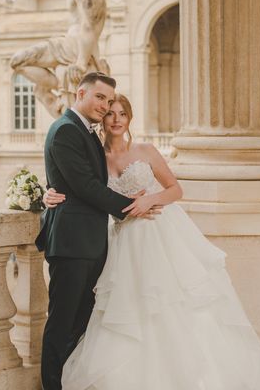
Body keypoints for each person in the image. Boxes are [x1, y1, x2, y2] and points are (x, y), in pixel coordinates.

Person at [43, 94, 260, 390]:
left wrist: (150, 200)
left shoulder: (145, 150)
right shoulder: (95, 157)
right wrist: (48, 193)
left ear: (129, 119)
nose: (117, 119)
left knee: (167, 303)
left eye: (123, 113)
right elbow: (79, 184)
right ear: (102, 120)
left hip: (156, 232)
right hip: (119, 241)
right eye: (111, 114)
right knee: (125, 307)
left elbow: (175, 189)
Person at [37, 73, 161, 390]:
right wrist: (134, 206)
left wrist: (50, 189)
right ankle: (52, 385)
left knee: (82, 320)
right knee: (62, 320)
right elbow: (86, 186)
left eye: (109, 100)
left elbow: (75, 180)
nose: (105, 106)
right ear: (81, 93)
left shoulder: (87, 132)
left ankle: (67, 379)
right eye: (100, 98)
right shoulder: (65, 129)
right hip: (71, 243)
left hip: (92, 242)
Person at [10, 0, 110, 117]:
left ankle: (58, 84)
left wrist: (80, 63)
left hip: (72, 47)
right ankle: (59, 87)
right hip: (75, 45)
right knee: (36, 85)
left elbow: (88, 26)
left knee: (18, 60)